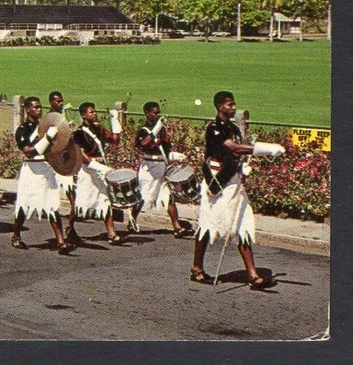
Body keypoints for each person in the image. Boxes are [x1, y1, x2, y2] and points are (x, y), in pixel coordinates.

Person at [190, 91, 280, 290]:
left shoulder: (233, 128)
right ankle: (197, 267)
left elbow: (238, 155)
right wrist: (264, 149)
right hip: (217, 181)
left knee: (242, 225)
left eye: (233, 104)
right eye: (229, 105)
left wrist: (242, 169)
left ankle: (253, 276)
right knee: (207, 224)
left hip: (233, 180)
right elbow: (235, 148)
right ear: (219, 106)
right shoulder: (214, 128)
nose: (233, 108)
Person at [10, 97, 73, 254]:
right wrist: (47, 138)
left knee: (52, 204)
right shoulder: (22, 129)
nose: (39, 110)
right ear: (27, 109)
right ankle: (16, 235)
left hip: (46, 167)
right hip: (31, 169)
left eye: (40, 107)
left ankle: (60, 241)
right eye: (35, 107)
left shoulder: (44, 127)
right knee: (25, 204)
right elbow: (28, 151)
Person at [133, 101, 193, 238]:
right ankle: (132, 218)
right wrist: (156, 129)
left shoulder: (163, 130)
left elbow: (166, 149)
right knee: (143, 196)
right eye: (154, 113)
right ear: (147, 114)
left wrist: (176, 156)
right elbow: (143, 144)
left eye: (158, 112)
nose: (157, 115)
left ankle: (177, 227)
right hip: (149, 167)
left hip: (162, 165)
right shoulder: (144, 130)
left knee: (168, 196)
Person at [71, 102, 123, 244]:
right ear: (83, 115)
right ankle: (70, 226)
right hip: (88, 170)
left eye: (94, 111)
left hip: (101, 168)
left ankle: (111, 233)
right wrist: (97, 166)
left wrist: (115, 120)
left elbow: (115, 140)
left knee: (105, 199)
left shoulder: (98, 129)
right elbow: (81, 154)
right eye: (91, 112)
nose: (94, 114)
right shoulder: (79, 133)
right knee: (82, 202)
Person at [48, 91, 79, 235]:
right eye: (57, 102)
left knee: (74, 199)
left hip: (65, 162)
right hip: (55, 164)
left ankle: (70, 227)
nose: (60, 104)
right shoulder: (49, 120)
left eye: (61, 101)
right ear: (51, 102)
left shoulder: (62, 118)